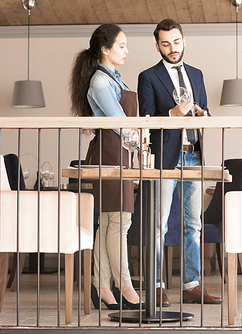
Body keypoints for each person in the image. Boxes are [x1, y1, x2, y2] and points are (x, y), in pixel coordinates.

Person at [137, 19, 221, 306]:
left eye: (176, 42)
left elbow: (205, 112)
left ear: (184, 40)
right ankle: (156, 285)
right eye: (165, 44)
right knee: (159, 225)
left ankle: (192, 285)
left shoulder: (197, 75)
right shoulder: (148, 76)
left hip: (194, 155)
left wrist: (202, 115)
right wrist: (172, 114)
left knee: (192, 225)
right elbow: (144, 121)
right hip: (165, 158)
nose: (172, 49)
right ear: (157, 45)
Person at [70, 23, 141, 310]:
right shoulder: (101, 82)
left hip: (119, 153)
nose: (126, 50)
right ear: (105, 49)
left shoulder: (115, 79)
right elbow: (119, 122)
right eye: (121, 46)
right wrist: (137, 138)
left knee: (112, 223)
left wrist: (134, 142)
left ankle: (101, 286)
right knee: (119, 222)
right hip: (110, 153)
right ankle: (124, 284)